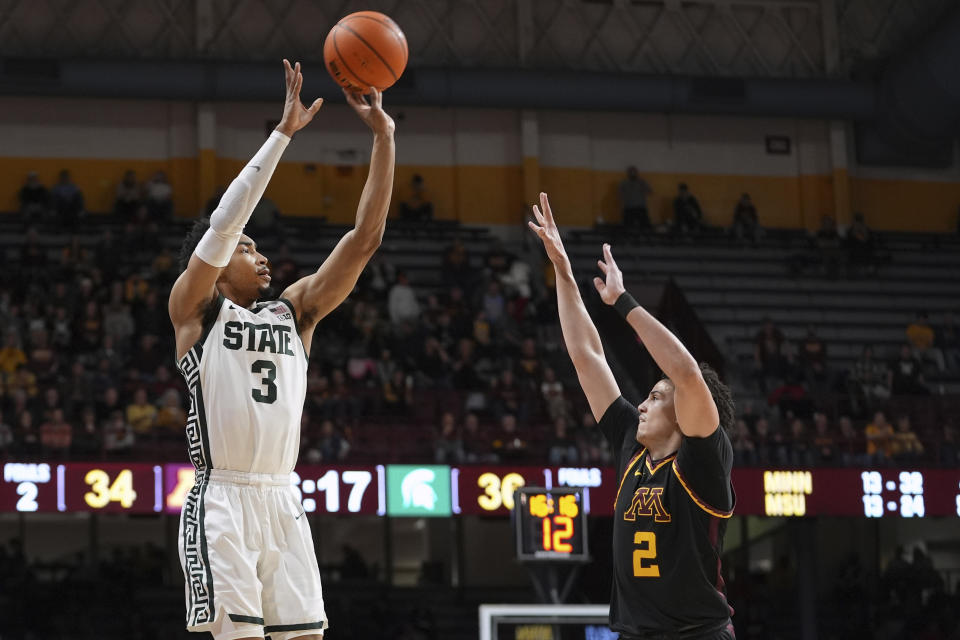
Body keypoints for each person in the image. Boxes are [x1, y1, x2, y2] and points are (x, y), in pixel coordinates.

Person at [167, 60, 394, 640]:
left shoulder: (294, 312)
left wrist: (384, 140)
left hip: (283, 498)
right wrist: (282, 136)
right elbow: (222, 224)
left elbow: (364, 240)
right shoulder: (196, 310)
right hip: (222, 499)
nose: (261, 254)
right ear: (217, 268)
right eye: (248, 248)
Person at [528, 192, 736, 639]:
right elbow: (587, 356)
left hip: (697, 634)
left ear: (685, 414)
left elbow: (684, 372)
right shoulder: (630, 443)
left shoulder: (702, 461)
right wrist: (563, 272)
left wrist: (622, 301)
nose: (640, 404)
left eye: (657, 398)